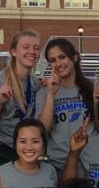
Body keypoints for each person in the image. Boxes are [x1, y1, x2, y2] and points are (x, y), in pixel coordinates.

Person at [0, 29, 42, 166]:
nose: (32, 51)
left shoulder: (35, 82)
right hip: (3, 151)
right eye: (26, 47)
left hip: (26, 149)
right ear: (14, 51)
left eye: (36, 48)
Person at [34, 37, 95, 169]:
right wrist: (51, 94)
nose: (58, 63)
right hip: (57, 163)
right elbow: (42, 130)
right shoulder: (44, 93)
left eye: (62, 57)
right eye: (52, 60)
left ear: (74, 57)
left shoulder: (92, 89)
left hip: (89, 162)